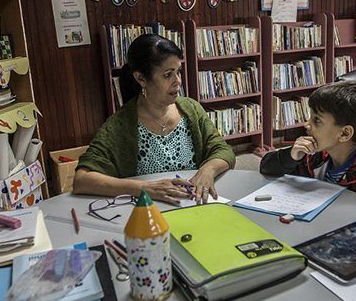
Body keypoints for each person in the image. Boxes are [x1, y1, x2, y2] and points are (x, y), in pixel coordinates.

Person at [74, 34, 235, 204]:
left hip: (193, 209)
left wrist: (207, 170)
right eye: (167, 75)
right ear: (141, 78)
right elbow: (82, 179)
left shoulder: (191, 109)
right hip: (149, 216)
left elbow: (223, 151)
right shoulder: (121, 124)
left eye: (178, 72)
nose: (178, 81)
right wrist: (144, 188)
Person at [259, 80, 356, 210]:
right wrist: (291, 156)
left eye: (316, 121)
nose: (306, 124)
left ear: (344, 134)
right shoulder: (316, 154)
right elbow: (266, 168)